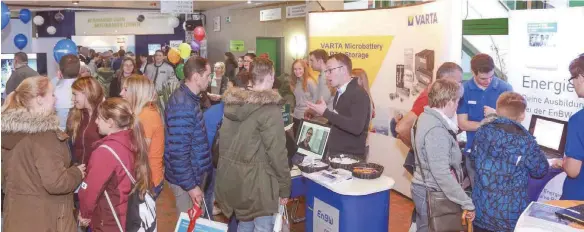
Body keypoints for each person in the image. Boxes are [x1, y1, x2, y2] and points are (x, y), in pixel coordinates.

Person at [215, 57, 290, 231]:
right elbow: (277, 153)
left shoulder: (234, 103)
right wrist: (285, 187)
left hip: (234, 180)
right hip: (259, 184)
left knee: (245, 224)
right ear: (270, 76)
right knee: (263, 226)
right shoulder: (270, 109)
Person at [1, 76, 85, 232]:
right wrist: (77, 172)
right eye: (52, 94)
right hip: (46, 220)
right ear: (39, 99)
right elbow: (56, 183)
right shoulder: (44, 136)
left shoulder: (9, 132)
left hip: (17, 218)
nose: (55, 98)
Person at [471, 92, 549, 232]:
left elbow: (473, 159)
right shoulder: (525, 140)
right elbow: (540, 171)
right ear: (522, 115)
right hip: (509, 218)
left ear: (497, 109)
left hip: (481, 211)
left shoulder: (482, 131)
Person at [78, 97, 152, 231]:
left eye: (99, 118)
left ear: (111, 122)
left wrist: (85, 214)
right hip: (128, 215)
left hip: (109, 220)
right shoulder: (133, 139)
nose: (96, 122)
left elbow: (91, 190)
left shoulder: (105, 152)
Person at [411, 78, 475, 232]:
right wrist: (466, 202)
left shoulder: (424, 117)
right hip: (431, 192)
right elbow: (441, 173)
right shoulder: (436, 130)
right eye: (457, 101)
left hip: (424, 189)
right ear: (449, 101)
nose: (458, 106)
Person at [164, 57, 214, 216]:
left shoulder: (189, 99)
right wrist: (191, 186)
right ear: (196, 77)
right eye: (208, 75)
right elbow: (178, 153)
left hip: (192, 176)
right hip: (186, 182)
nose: (210, 79)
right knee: (190, 224)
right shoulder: (183, 105)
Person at [458, 54, 512, 187]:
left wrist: (496, 114)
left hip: (500, 155)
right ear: (473, 72)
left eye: (491, 77)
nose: (488, 81)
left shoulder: (505, 89)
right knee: (478, 194)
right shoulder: (464, 90)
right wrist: (488, 122)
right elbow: (463, 123)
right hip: (474, 153)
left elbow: (513, 123)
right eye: (483, 78)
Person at [306, 53, 371, 160]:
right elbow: (338, 122)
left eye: (330, 70)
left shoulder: (359, 94)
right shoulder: (339, 92)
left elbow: (356, 127)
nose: (327, 75)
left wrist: (325, 112)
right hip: (337, 156)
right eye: (326, 71)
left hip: (350, 159)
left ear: (343, 70)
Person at [120, 74, 165, 199]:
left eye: (126, 89)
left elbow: (140, 152)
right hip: (147, 178)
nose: (121, 93)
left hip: (147, 181)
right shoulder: (144, 112)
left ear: (137, 92)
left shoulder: (146, 116)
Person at [560, 55, 584, 200]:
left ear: (581, 77)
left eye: (572, 79)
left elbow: (573, 170)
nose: (573, 83)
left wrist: (563, 162)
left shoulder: (579, 120)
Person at [67, 76, 105, 165]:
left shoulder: (105, 115)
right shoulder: (74, 114)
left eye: (75, 94)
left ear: (87, 93)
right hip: (79, 172)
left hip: (98, 171)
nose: (72, 99)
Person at [53, 54, 81, 130]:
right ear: (79, 70)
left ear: (60, 70)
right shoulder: (88, 88)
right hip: (79, 133)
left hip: (58, 134)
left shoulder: (53, 90)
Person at [291, 59, 317, 135]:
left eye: (300, 69)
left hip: (307, 118)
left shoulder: (310, 81)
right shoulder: (295, 83)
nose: (297, 71)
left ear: (304, 69)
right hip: (296, 116)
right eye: (295, 69)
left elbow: (317, 100)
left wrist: (311, 113)